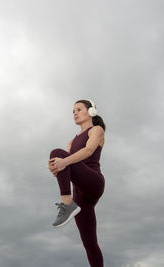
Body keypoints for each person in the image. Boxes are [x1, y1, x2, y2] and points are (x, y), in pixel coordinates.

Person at [48, 99, 106, 267]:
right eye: (73, 110)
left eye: (79, 109)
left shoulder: (96, 130)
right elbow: (66, 168)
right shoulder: (72, 142)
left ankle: (67, 204)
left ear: (91, 112)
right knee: (89, 244)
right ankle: (70, 204)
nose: (75, 113)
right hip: (80, 195)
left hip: (93, 182)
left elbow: (88, 151)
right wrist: (56, 168)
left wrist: (63, 162)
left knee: (57, 153)